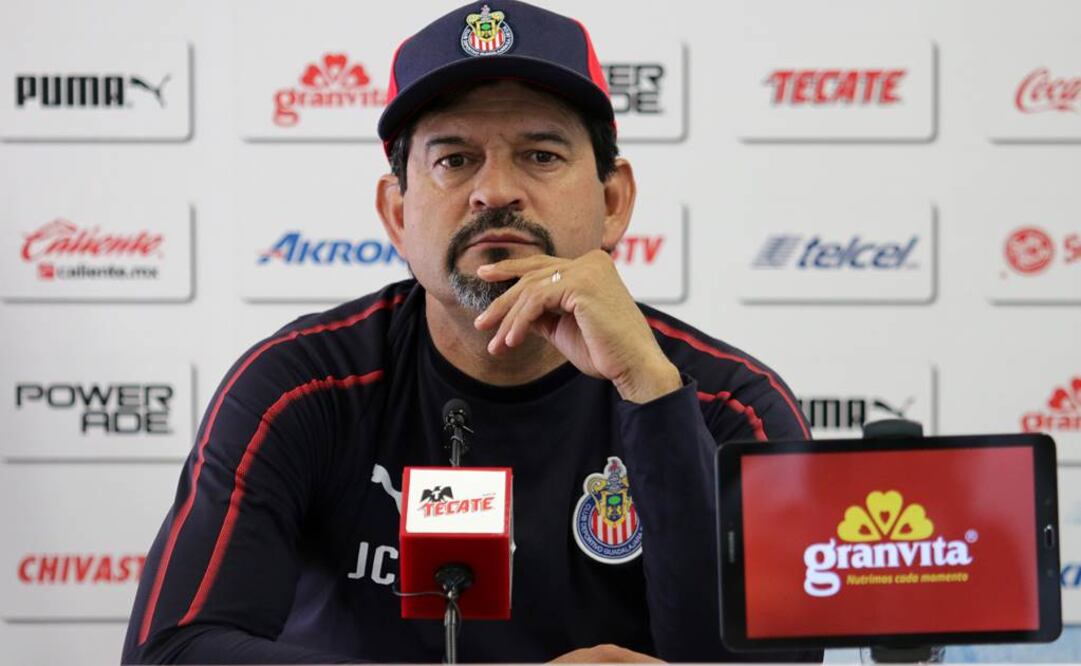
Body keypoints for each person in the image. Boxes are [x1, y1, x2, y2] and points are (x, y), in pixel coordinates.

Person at [123, 1, 820, 663]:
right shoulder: (300, 388)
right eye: (454, 160)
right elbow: (172, 651)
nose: (495, 191)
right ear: (397, 215)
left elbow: (780, 662)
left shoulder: (732, 404)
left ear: (612, 203)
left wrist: (652, 395)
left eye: (540, 155)